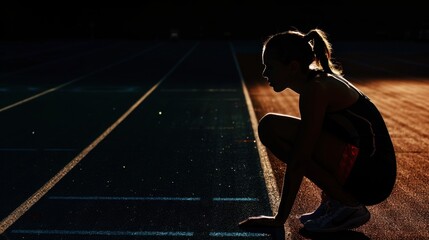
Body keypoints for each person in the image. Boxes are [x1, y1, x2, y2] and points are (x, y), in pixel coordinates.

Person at [238, 28, 396, 232]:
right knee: (272, 128)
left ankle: (347, 203)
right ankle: (337, 199)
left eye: (270, 67)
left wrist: (279, 218)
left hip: (374, 176)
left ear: (293, 67)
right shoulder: (317, 83)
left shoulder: (317, 90)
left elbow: (300, 159)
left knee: (272, 128)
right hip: (369, 169)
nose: (264, 73)